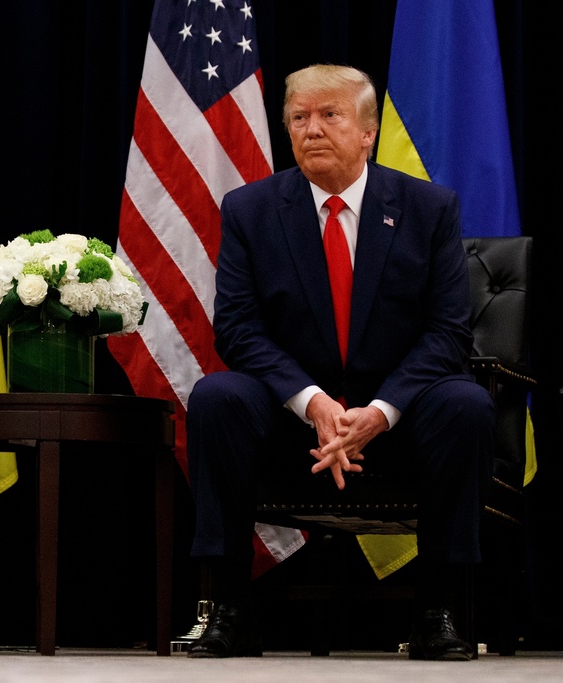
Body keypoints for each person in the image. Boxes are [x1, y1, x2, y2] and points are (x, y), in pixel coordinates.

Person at [185, 65, 493, 661]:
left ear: (368, 131)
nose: (313, 130)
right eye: (299, 118)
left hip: (399, 423)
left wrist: (379, 411)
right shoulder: (250, 209)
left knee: (466, 405)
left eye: (331, 115)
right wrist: (313, 402)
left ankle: (439, 610)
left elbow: (448, 331)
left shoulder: (428, 208)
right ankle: (229, 607)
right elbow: (238, 329)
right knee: (218, 398)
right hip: (291, 423)